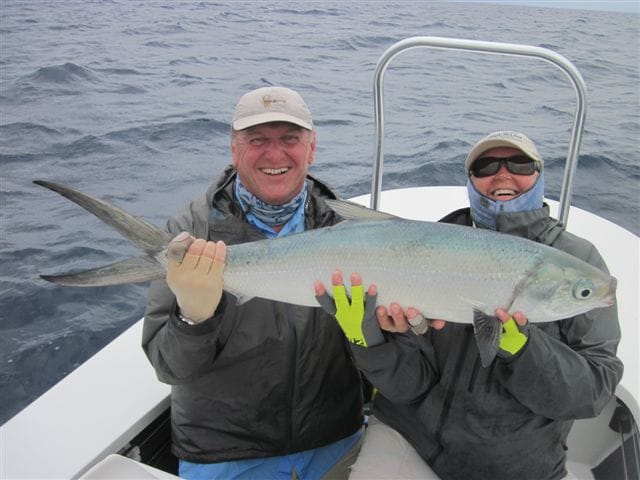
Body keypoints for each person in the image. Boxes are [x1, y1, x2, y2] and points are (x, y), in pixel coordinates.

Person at [316, 131, 624, 480]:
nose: (503, 174)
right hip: (409, 437)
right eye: (486, 165)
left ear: (539, 174)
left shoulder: (578, 261)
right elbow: (409, 386)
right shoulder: (428, 245)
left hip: (517, 464)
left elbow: (592, 392)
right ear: (471, 180)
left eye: (519, 164)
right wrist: (370, 341)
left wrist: (525, 351)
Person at [143, 86, 365, 480]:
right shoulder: (191, 231)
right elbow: (168, 366)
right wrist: (193, 319)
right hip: (225, 455)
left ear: (311, 149)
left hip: (334, 443)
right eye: (257, 140)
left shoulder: (349, 228)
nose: (275, 154)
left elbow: (381, 364)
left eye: (290, 140)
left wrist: (371, 333)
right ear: (234, 149)